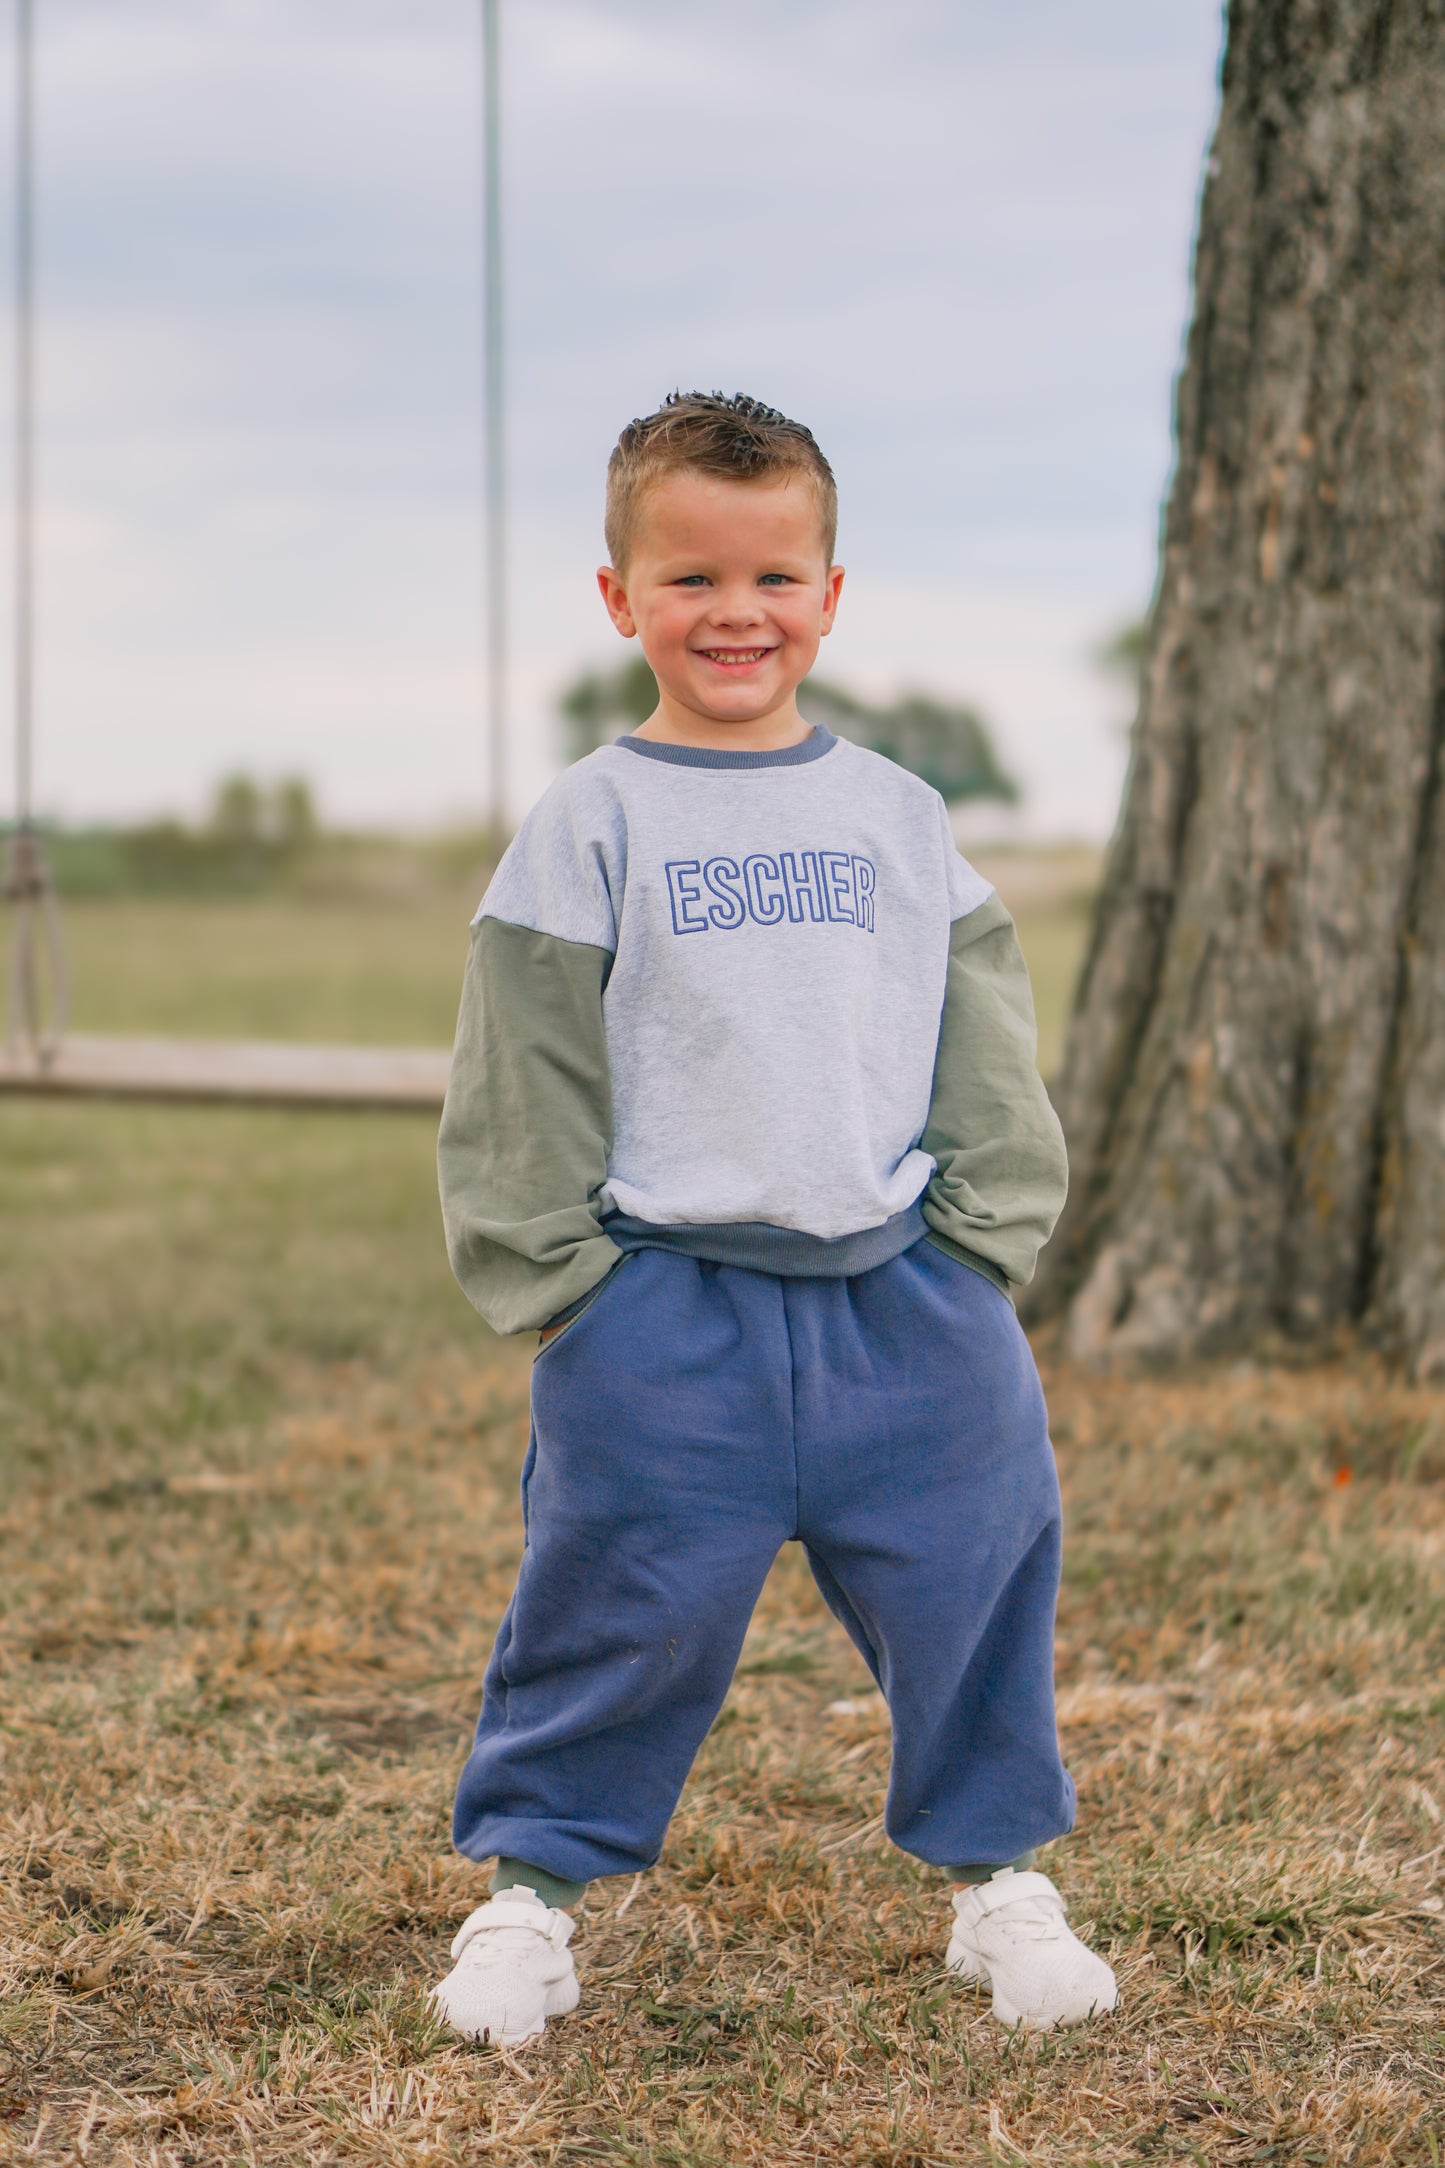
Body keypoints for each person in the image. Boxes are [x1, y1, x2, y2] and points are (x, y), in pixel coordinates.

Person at [430, 391, 1117, 2045]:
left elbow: (981, 1038)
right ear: (620, 600)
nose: (734, 612)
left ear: (827, 591)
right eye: (689, 580)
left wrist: (984, 1235)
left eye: (773, 578)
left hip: (908, 1306)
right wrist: (570, 1288)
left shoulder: (895, 812)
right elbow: (519, 1071)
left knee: (974, 1577)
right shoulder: (590, 820)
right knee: (612, 1605)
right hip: (666, 1311)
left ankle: (998, 1883)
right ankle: (529, 1897)